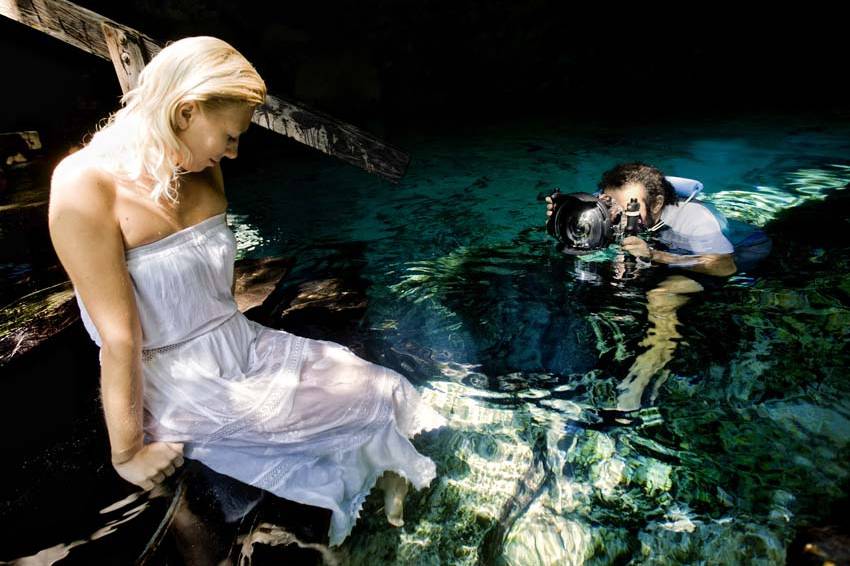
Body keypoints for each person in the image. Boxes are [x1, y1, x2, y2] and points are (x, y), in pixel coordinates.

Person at [48, 36, 445, 547]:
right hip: (177, 376)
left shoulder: (201, 164)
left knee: (379, 385)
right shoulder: (84, 187)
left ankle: (388, 475)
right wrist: (128, 453)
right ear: (185, 111)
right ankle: (358, 497)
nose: (233, 153)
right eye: (229, 136)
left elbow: (206, 285)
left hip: (240, 345)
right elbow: (120, 340)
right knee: (342, 416)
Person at [547, 162, 737, 410]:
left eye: (629, 208)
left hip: (704, 259)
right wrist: (562, 221)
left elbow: (725, 266)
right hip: (657, 256)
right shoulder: (603, 205)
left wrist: (656, 256)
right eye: (608, 203)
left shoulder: (694, 218)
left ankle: (638, 384)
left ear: (656, 203)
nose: (616, 213)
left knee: (661, 296)